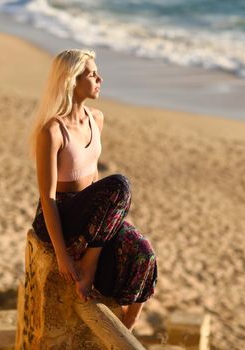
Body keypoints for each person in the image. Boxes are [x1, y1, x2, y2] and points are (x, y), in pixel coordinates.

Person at [29, 49, 157, 331]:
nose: (100, 78)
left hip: (90, 210)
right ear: (72, 80)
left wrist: (110, 222)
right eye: (91, 74)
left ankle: (127, 327)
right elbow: (47, 198)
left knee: (144, 252)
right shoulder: (51, 131)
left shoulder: (96, 119)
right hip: (63, 212)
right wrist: (63, 256)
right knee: (121, 183)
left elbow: (95, 180)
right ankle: (90, 264)